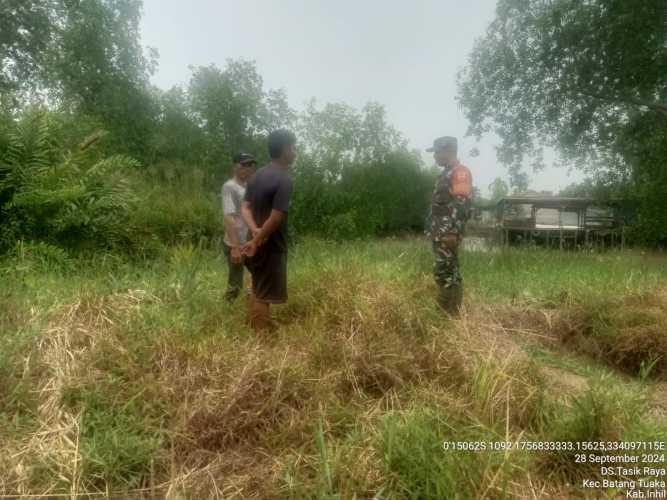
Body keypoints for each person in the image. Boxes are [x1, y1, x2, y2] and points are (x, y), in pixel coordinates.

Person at [241, 129, 296, 332]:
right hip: (270, 245)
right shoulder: (284, 180)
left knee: (258, 286)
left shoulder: (257, 176)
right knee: (264, 294)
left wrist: (254, 232)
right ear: (285, 150)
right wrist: (258, 239)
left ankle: (258, 325)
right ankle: (260, 339)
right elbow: (276, 217)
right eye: (293, 147)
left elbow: (244, 207)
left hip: (255, 242)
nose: (295, 152)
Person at [426, 136, 473, 316]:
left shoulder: (459, 172)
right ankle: (450, 314)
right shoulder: (445, 174)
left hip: (448, 234)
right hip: (441, 233)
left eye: (436, 152)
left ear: (447, 151)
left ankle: (446, 314)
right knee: (447, 271)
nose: (435, 156)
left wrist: (453, 231)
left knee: (445, 272)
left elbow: (462, 204)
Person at [221, 152, 257, 301]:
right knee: (235, 285)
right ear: (236, 166)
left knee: (260, 273)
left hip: (249, 242)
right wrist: (235, 248)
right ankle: (225, 311)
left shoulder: (249, 186)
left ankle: (253, 298)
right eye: (244, 165)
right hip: (235, 243)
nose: (248, 168)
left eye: (251, 165)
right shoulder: (229, 187)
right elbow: (228, 217)